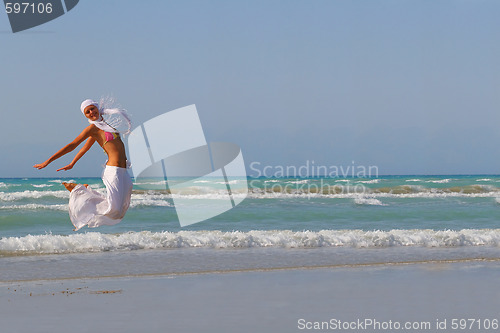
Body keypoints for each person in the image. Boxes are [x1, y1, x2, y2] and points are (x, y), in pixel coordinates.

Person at [34, 99, 133, 231]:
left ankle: (85, 191)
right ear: (85, 115)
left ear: (97, 108)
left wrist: (72, 163)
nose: (91, 112)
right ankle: (79, 191)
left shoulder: (105, 126)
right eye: (87, 112)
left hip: (123, 171)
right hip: (113, 170)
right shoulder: (92, 128)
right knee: (114, 209)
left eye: (92, 108)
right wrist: (48, 161)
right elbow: (73, 145)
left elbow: (84, 149)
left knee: (120, 211)